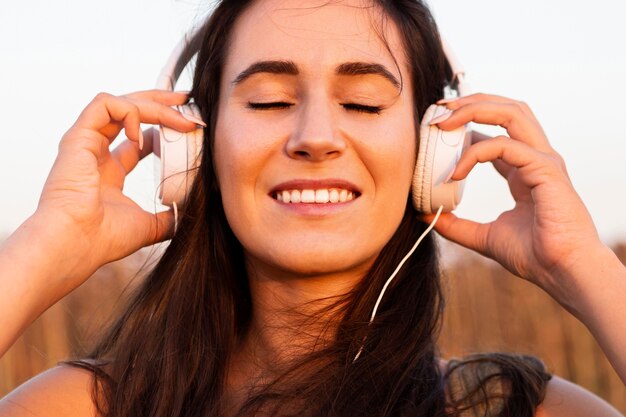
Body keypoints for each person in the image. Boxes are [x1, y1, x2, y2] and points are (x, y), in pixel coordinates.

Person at [0, 0, 624, 416]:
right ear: (192, 144)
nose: (315, 135)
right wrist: (44, 249)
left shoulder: (517, 410)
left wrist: (583, 268)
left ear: (435, 144)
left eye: (363, 103)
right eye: (269, 100)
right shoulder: (86, 406)